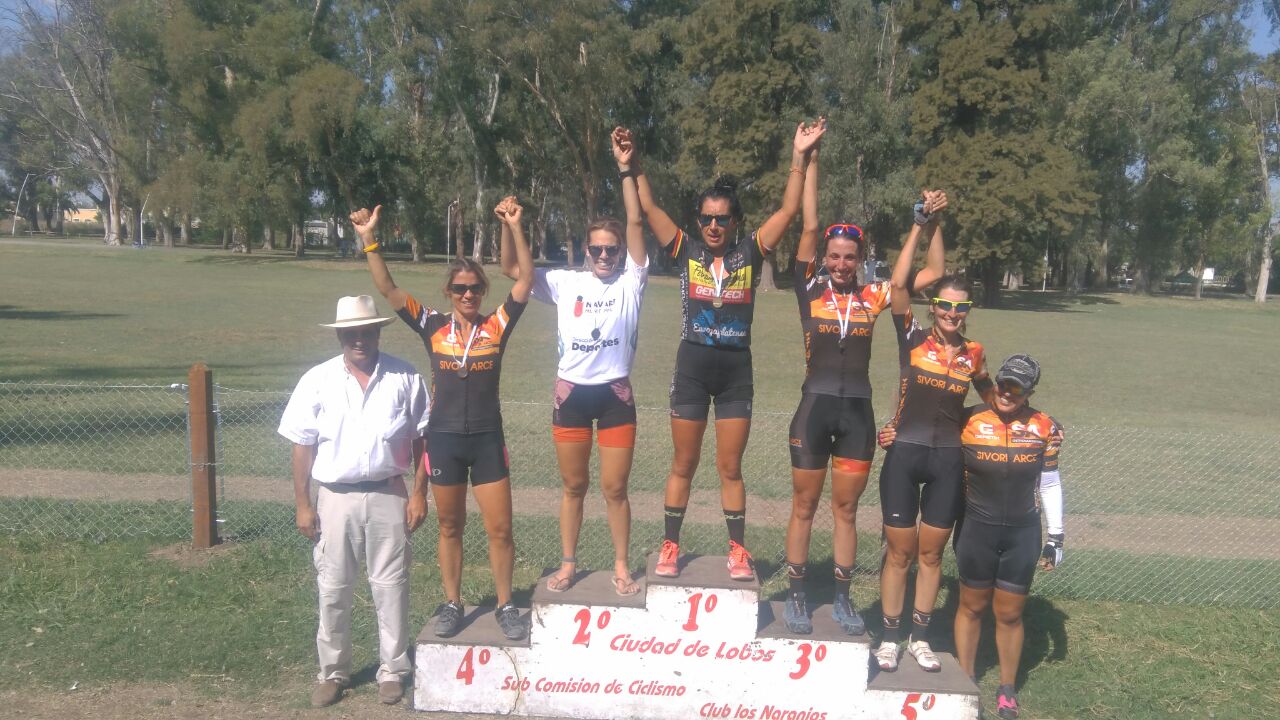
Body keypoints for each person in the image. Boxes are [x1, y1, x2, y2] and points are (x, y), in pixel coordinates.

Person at [626, 120, 825, 580]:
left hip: (736, 373)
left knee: (730, 467)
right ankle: (670, 546)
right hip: (692, 369)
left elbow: (789, 210)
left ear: (735, 223)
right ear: (698, 222)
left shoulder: (750, 253)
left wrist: (799, 156)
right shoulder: (686, 250)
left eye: (722, 219)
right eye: (706, 219)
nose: (713, 226)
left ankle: (737, 550)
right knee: (683, 463)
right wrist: (633, 164)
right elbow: (649, 206)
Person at [781, 123, 943, 636]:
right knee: (804, 505)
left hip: (857, 414)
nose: (841, 263)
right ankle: (797, 596)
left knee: (846, 510)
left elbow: (931, 274)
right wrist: (810, 159)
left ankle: (844, 598)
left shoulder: (874, 297)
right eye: (834, 256)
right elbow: (809, 226)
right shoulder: (809, 289)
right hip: (814, 408)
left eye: (849, 257)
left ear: (860, 259)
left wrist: (928, 224)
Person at [352, 200, 535, 641]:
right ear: (449, 292)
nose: (468, 295)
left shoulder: (497, 326)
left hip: (487, 440)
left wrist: (515, 227)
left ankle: (506, 604)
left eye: (474, 288)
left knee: (500, 529)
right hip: (445, 441)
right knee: (450, 526)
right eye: (459, 289)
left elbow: (525, 280)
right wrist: (369, 240)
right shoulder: (432, 325)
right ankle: (452, 602)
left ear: (483, 291)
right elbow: (388, 288)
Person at [498, 128, 648, 596]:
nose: (604, 255)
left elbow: (636, 220)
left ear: (621, 252)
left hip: (615, 395)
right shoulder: (566, 283)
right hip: (571, 396)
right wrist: (510, 225)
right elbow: (511, 270)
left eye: (612, 249)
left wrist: (625, 168)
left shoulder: (632, 281)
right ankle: (568, 565)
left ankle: (621, 565)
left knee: (615, 489)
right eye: (596, 249)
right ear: (586, 250)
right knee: (573, 487)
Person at [879, 354, 1064, 719]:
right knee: (971, 608)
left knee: (1010, 614)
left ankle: (1007, 689)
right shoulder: (968, 419)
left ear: (1029, 393)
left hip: (1023, 533)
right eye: (1003, 384)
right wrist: (896, 431)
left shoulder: (1046, 426)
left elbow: (1050, 482)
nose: (1006, 393)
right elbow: (929, 432)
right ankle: (966, 683)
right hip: (977, 528)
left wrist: (1056, 536)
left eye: (1016, 389)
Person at [278, 294, 430, 708]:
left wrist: (419, 493)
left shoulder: (405, 376)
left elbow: (423, 438)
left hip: (389, 493)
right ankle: (333, 672)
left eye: (366, 332)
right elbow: (302, 445)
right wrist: (303, 503)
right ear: (340, 337)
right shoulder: (317, 380)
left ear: (378, 332)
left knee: (391, 586)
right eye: (351, 334)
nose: (359, 340)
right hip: (335, 498)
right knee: (333, 587)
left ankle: (393, 670)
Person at [875, 191, 996, 673]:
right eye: (945, 304)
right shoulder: (912, 335)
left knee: (931, 555)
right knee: (899, 553)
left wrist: (1035, 422)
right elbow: (899, 282)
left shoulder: (975, 353)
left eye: (960, 307)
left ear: (968, 311)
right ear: (933, 306)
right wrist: (923, 224)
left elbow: (995, 401)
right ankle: (889, 637)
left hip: (948, 459)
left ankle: (919, 637)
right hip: (904, 454)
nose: (951, 313)